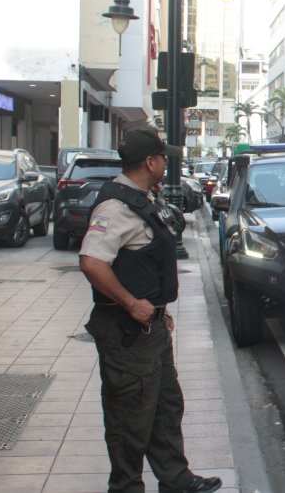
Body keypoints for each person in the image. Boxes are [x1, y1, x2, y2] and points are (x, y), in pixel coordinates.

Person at [78, 129, 221, 493]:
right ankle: (125, 487)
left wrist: (157, 309)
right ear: (150, 162)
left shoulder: (140, 198)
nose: (165, 163)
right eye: (162, 157)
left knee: (164, 407)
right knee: (129, 419)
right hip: (127, 334)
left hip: (150, 329)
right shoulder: (115, 207)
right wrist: (132, 303)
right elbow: (92, 262)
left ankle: (176, 480)